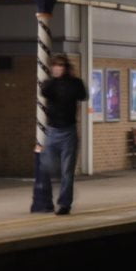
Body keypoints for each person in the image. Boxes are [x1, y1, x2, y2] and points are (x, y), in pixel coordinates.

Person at [34, 54, 87, 215]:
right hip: (52, 131)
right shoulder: (49, 84)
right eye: (55, 66)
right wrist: (54, 80)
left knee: (67, 171)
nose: (57, 69)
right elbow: (44, 91)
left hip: (69, 131)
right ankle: (61, 191)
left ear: (66, 68)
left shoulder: (75, 84)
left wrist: (70, 84)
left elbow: (83, 95)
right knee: (47, 165)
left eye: (61, 66)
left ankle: (64, 204)